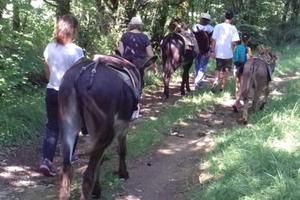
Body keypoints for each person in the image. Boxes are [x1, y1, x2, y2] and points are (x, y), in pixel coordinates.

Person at [39, 15, 84, 177]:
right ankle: (69, 157)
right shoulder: (77, 51)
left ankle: (47, 161)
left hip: (51, 90)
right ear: (72, 30)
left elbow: (47, 72)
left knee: (52, 126)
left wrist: (52, 81)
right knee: (72, 126)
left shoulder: (49, 47)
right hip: (69, 94)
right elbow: (77, 77)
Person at [117, 16, 157, 87]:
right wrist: (154, 66)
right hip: (140, 66)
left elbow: (120, 52)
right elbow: (150, 54)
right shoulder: (144, 37)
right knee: (140, 83)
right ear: (140, 26)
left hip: (127, 64)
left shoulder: (124, 36)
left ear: (131, 25)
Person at [210, 10, 240, 93]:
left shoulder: (217, 26)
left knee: (218, 68)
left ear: (224, 17)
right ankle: (222, 87)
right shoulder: (233, 28)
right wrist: (232, 50)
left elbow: (213, 40)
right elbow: (234, 42)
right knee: (226, 70)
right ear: (232, 18)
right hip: (228, 53)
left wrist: (212, 51)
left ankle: (216, 81)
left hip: (218, 52)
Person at [192, 13, 214, 88]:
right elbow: (212, 41)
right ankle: (198, 82)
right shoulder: (211, 28)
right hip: (205, 50)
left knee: (197, 65)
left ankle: (197, 81)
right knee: (202, 66)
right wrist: (211, 50)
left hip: (197, 49)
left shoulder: (195, 26)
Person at [232, 32, 252, 110]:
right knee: (242, 85)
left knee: (237, 84)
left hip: (236, 67)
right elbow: (248, 59)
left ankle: (238, 102)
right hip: (244, 68)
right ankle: (237, 102)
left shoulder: (236, 47)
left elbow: (234, 57)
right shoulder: (248, 48)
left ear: (241, 39)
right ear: (248, 40)